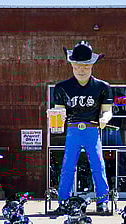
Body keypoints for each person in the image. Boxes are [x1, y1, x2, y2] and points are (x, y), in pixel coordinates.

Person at [49, 41, 114, 214]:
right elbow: (59, 111)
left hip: (93, 130)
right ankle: (63, 201)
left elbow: (108, 111)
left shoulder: (103, 87)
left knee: (98, 165)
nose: (81, 69)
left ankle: (102, 201)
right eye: (77, 65)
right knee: (68, 166)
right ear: (71, 65)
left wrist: (104, 118)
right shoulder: (62, 88)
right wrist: (55, 118)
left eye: (85, 65)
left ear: (92, 65)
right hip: (72, 129)